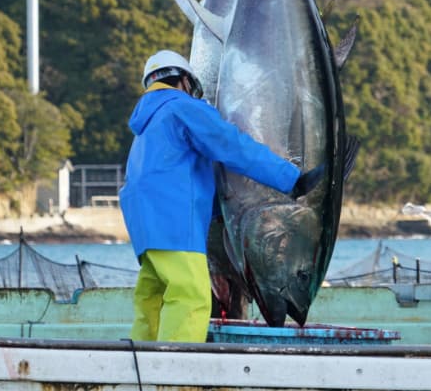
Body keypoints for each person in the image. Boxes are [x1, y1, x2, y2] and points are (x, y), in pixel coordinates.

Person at [119, 49, 321, 342]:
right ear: (184, 81)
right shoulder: (183, 108)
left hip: (146, 230)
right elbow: (231, 144)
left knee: (152, 299)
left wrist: (218, 213)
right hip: (175, 225)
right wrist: (290, 179)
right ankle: (176, 378)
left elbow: (177, 175)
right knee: (191, 297)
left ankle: (138, 365)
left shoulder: (146, 126)